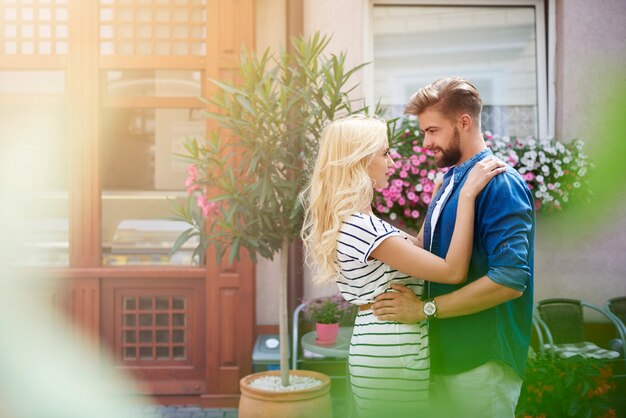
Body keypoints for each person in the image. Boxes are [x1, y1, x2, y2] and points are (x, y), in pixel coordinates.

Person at [301, 114, 506, 417]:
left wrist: (438, 196)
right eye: (384, 153)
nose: (393, 162)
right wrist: (466, 196)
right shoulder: (362, 227)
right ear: (359, 161)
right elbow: (452, 271)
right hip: (391, 351)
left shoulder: (359, 222)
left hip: (387, 346)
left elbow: (419, 249)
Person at [372, 77, 535, 418]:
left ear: (464, 122)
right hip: (445, 358)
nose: (425, 142)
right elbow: (423, 251)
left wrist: (423, 310)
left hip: (481, 362)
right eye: (423, 133)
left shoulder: (499, 183)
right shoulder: (451, 182)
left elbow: (509, 281)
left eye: (432, 131)